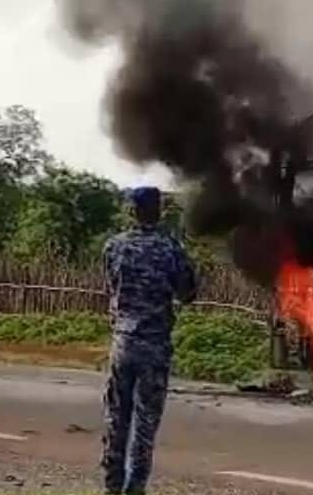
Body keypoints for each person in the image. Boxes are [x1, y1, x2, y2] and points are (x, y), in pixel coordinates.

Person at [101, 186, 197, 495]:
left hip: (122, 343)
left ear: (132, 210)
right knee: (145, 423)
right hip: (154, 345)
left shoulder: (114, 247)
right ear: (159, 211)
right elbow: (188, 293)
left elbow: (111, 286)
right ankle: (135, 488)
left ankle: (111, 486)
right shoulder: (171, 249)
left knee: (117, 418)